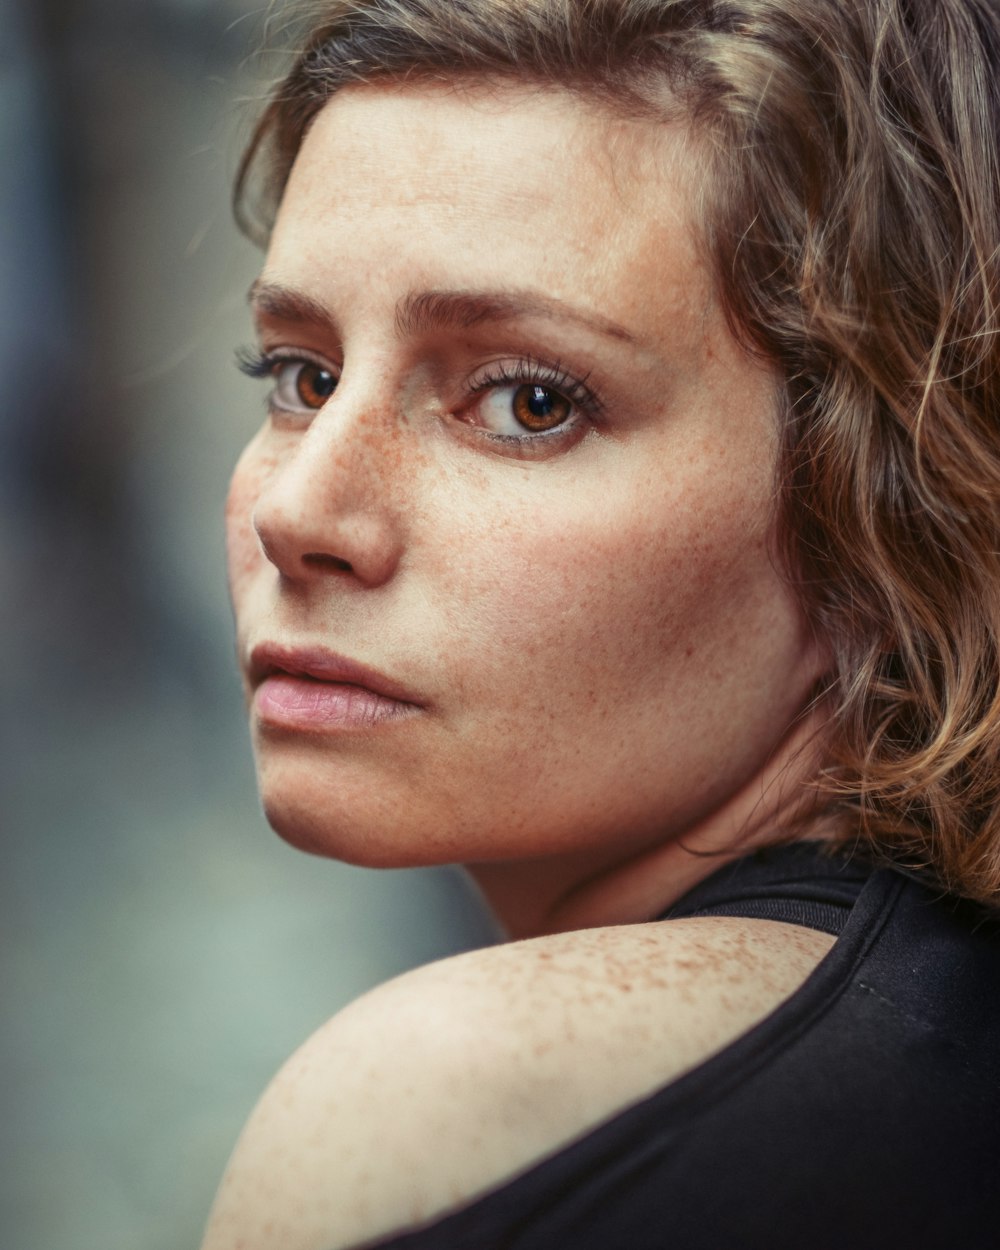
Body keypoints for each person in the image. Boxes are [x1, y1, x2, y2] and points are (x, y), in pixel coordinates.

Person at [201, 1, 1000, 1246]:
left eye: (526, 401)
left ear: (887, 499)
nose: (299, 510)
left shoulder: (439, 1096)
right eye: (302, 376)